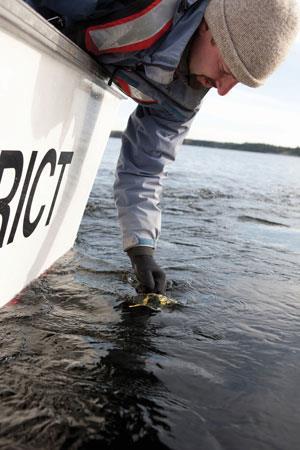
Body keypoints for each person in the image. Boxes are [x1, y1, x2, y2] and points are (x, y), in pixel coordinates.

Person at [25, 0, 300, 294]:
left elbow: (145, 168)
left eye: (237, 83)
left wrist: (141, 249)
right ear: (208, 25)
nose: (222, 90)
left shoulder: (184, 98)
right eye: (225, 68)